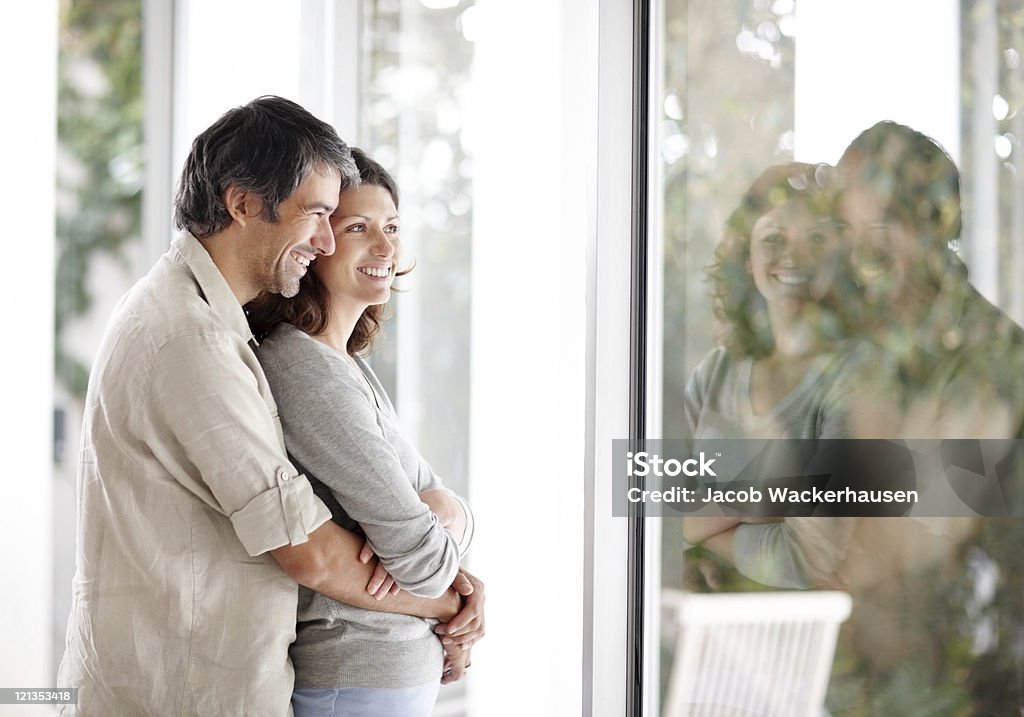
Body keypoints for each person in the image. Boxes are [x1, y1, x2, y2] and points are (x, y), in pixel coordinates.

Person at [57, 96, 482, 717]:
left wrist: (446, 529)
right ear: (244, 203)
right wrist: (452, 602)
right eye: (318, 215)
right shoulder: (191, 338)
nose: (323, 238)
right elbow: (308, 549)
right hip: (177, 690)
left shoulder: (212, 326)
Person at [246, 148, 476, 716]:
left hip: (383, 676)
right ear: (318, 244)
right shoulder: (304, 369)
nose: (386, 247)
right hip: (356, 674)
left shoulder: (347, 365)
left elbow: (438, 519)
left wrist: (441, 509)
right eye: (359, 228)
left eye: (393, 227)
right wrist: (451, 592)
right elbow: (422, 561)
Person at [680, 162, 873, 585]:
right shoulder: (715, 372)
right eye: (773, 237)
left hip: (812, 643)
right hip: (702, 636)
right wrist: (763, 498)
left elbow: (811, 559)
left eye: (816, 238)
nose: (794, 255)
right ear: (746, 257)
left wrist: (703, 531)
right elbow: (655, 514)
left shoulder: (856, 377)